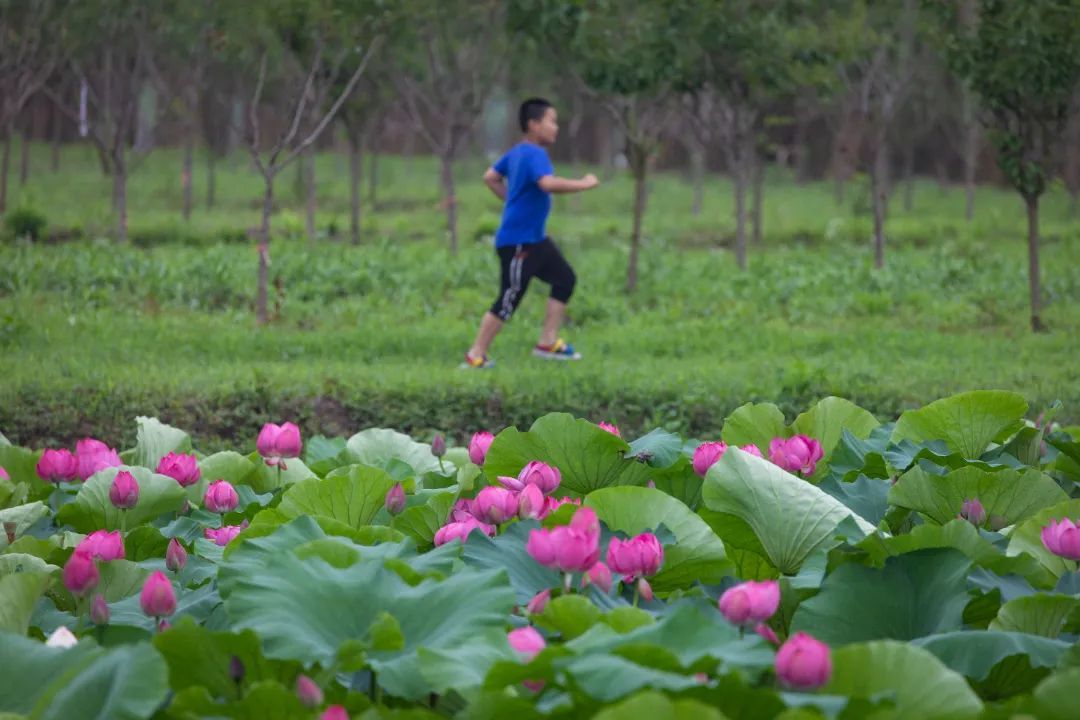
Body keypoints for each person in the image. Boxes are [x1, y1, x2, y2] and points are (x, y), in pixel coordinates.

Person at [462, 97, 600, 369]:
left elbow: (490, 176)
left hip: (535, 239)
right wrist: (583, 184)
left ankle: (547, 342)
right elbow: (547, 184)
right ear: (534, 125)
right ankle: (476, 355)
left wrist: (512, 199)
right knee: (509, 297)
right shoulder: (535, 154)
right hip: (518, 242)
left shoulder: (517, 152)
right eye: (551, 121)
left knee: (564, 279)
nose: (556, 127)